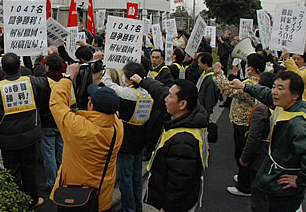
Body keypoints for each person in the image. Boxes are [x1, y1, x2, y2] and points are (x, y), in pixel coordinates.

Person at [230, 71, 306, 211]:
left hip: (280, 191)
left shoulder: (297, 126)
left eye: (280, 88)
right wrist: (244, 86)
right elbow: (265, 93)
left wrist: (300, 180)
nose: (274, 92)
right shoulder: (293, 103)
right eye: (274, 86)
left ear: (295, 95)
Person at [49, 63, 124, 212]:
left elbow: (56, 103)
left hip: (73, 197)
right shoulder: (117, 127)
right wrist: (96, 81)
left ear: (91, 106)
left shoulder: (78, 128)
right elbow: (108, 108)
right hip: (100, 198)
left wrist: (68, 77)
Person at [0, 53, 48, 208]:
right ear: (20, 67)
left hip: (8, 139)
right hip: (30, 135)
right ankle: (32, 200)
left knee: (12, 170)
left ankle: (15, 201)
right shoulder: (31, 81)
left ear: (1, 68)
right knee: (29, 168)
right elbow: (44, 81)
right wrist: (38, 63)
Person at [143, 79, 209, 212]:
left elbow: (179, 183)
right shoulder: (191, 117)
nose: (165, 99)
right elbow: (161, 91)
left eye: (170, 96)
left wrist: (168, 208)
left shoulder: (183, 141)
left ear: (182, 104)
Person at [100, 62, 154, 212]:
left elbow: (111, 87)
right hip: (140, 139)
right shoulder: (147, 93)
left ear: (130, 78)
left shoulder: (129, 94)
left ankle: (129, 209)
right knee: (136, 177)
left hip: (127, 141)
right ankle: (137, 207)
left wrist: (104, 70)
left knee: (125, 178)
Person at [213, 53, 265, 197]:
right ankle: (244, 178)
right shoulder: (258, 81)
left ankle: (245, 186)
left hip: (244, 124)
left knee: (242, 154)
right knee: (243, 153)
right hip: (244, 123)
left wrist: (218, 71)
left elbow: (228, 89)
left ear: (251, 68)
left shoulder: (250, 85)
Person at [239, 72, 276, 211]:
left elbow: (253, 138)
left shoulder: (261, 109)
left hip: (260, 157)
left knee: (259, 198)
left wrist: (244, 158)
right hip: (269, 157)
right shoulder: (278, 106)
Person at [37, 54, 65, 192]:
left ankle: (52, 182)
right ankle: (63, 177)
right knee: (62, 151)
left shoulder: (44, 82)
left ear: (47, 67)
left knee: (49, 154)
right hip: (62, 121)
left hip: (48, 122)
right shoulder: (65, 80)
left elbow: (41, 104)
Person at [196, 52, 220, 117]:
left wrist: (207, 111)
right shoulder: (204, 72)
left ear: (205, 63)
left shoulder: (211, 79)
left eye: (199, 62)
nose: (198, 64)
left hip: (204, 110)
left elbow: (209, 97)